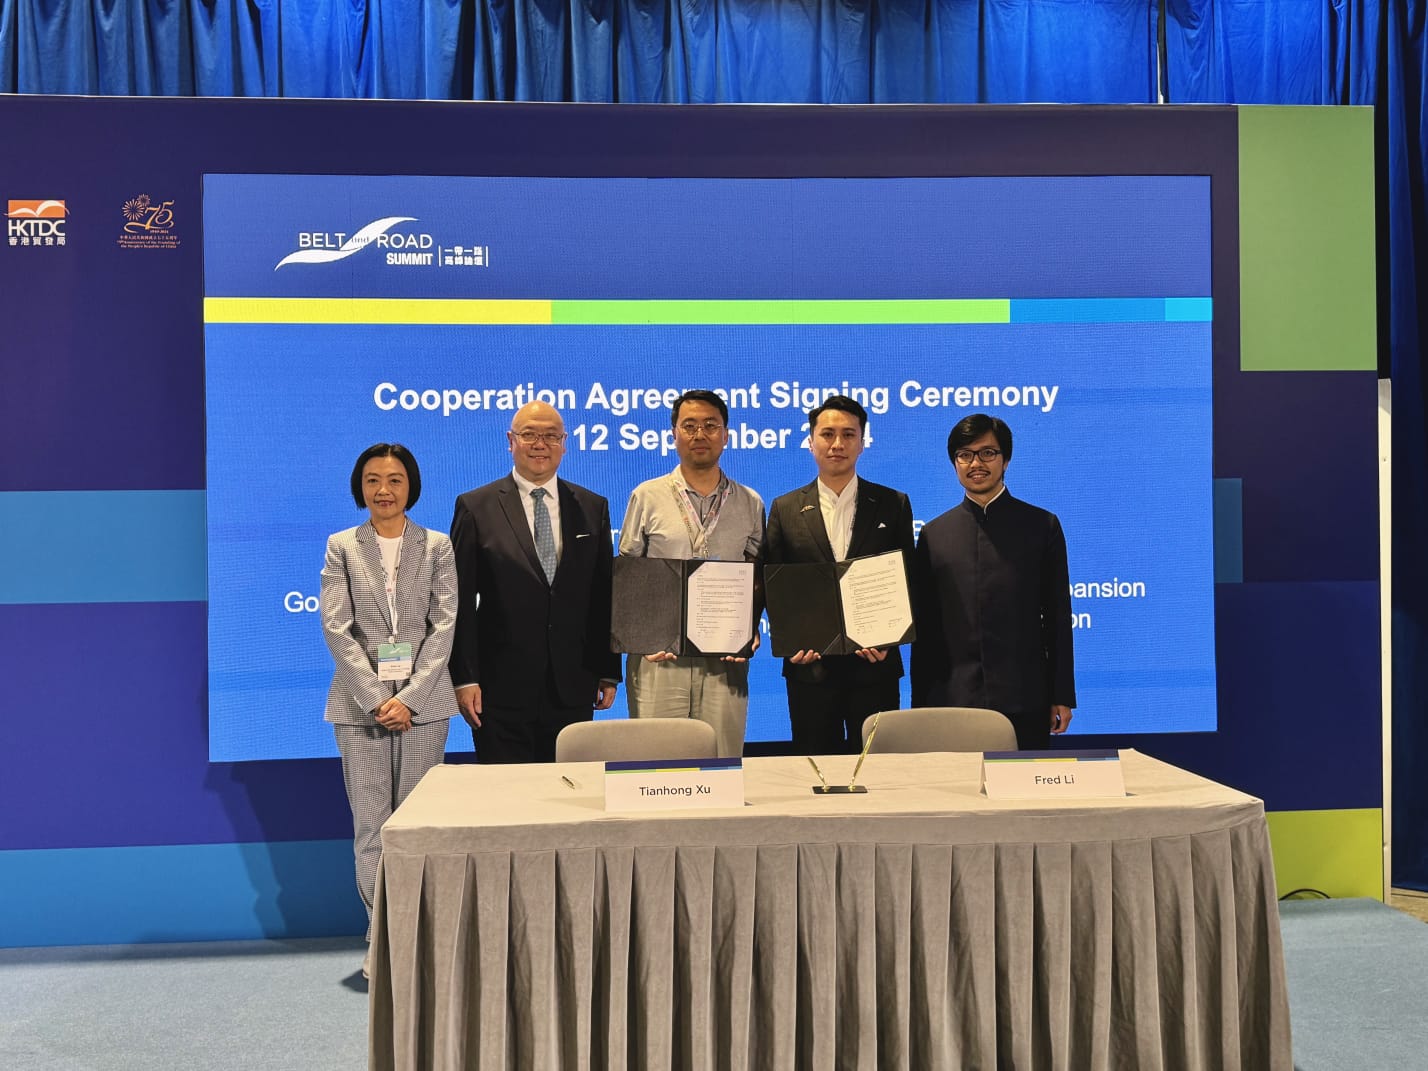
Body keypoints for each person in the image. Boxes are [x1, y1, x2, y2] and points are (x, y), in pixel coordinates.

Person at [320, 442, 458, 977]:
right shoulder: (341, 546)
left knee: (417, 827)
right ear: (360, 487)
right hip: (361, 710)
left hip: (425, 707)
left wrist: (410, 697)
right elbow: (337, 628)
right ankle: (382, 937)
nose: (384, 490)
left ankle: (417, 936)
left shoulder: (438, 546)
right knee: (372, 827)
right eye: (373, 480)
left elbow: (444, 627)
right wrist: (379, 698)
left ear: (410, 486)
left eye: (395, 480)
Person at [448, 401, 620, 762]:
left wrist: (608, 670)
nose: (540, 444)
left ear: (564, 444)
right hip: (499, 688)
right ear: (510, 441)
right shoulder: (476, 506)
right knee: (507, 791)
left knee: (570, 789)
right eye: (529, 435)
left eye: (551, 436)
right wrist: (465, 677)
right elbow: (459, 602)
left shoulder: (592, 507)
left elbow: (603, 594)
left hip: (573, 683)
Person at [911, 414, 1076, 749]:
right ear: (954, 463)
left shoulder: (1042, 526)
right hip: (951, 699)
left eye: (987, 453)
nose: (976, 463)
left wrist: (1061, 694)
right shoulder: (934, 534)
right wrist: (920, 703)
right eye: (965, 455)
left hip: (1025, 697)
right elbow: (925, 631)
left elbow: (1058, 616)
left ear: (1006, 460)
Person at [764, 395, 915, 753]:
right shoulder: (785, 508)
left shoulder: (893, 503)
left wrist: (891, 637)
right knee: (816, 771)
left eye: (848, 434)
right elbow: (774, 586)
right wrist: (791, 640)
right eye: (827, 434)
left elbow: (907, 579)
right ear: (811, 441)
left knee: (878, 769)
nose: (837, 444)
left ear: (862, 442)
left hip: (875, 665)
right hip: (809, 669)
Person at [618, 389, 765, 758]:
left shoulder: (751, 502)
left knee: (722, 761)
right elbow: (628, 573)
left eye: (711, 426)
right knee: (655, 765)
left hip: (724, 659)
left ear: (726, 435)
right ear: (674, 435)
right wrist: (641, 638)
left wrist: (750, 627)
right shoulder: (646, 496)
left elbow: (757, 575)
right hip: (659, 656)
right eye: (690, 426)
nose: (700, 434)